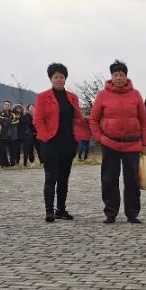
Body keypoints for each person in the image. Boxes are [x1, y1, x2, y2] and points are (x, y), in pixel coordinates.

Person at [89, 61, 146, 223]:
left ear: (126, 76)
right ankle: (111, 213)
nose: (119, 78)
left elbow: (144, 120)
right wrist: (99, 137)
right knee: (109, 179)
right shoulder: (102, 95)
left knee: (132, 180)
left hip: (132, 143)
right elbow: (93, 119)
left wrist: (145, 143)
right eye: (115, 75)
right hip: (110, 143)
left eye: (122, 74)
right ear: (111, 77)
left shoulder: (136, 94)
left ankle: (132, 213)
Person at [33, 63, 89, 221]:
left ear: (65, 78)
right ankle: (49, 210)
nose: (59, 79)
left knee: (64, 178)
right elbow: (38, 120)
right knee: (50, 177)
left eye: (62, 77)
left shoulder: (72, 97)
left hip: (68, 143)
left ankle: (61, 209)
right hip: (50, 143)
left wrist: (84, 126)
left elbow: (77, 118)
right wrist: (45, 137)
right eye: (56, 77)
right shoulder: (43, 97)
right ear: (51, 78)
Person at [0, 100, 21, 168]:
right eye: (5, 104)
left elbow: (17, 122)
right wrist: (9, 122)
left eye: (8, 105)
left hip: (12, 135)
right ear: (3, 106)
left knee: (12, 150)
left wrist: (8, 122)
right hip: (3, 135)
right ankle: (4, 164)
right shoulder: (0, 113)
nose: (7, 106)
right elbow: (1, 121)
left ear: (10, 106)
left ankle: (12, 163)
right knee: (3, 151)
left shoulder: (13, 114)